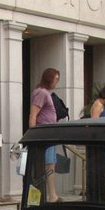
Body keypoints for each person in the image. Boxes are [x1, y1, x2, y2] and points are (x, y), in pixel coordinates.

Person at [29, 67, 61, 202]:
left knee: (49, 165)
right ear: (49, 79)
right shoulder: (41, 93)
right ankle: (46, 197)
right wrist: (33, 135)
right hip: (43, 134)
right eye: (56, 79)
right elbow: (33, 114)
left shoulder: (43, 92)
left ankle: (51, 195)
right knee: (44, 166)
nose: (56, 82)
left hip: (47, 134)